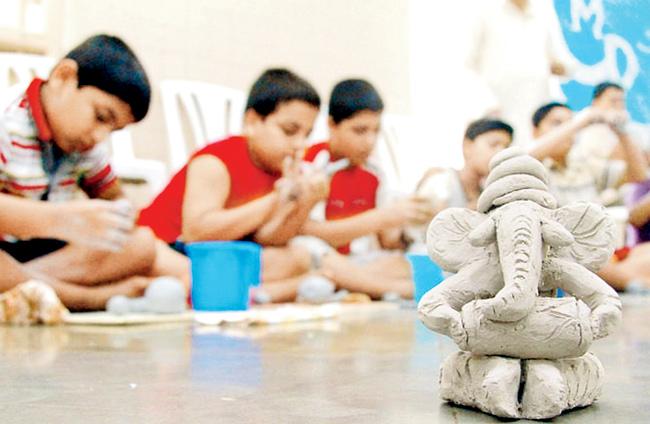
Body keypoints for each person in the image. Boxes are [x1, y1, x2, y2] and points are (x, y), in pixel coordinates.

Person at [0, 34, 189, 311]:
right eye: (101, 117)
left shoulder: (84, 146)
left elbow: (118, 202)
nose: (100, 136)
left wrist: (113, 218)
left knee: (143, 245)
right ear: (64, 77)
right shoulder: (7, 118)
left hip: (39, 260)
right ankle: (93, 299)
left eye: (113, 130)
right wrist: (60, 220)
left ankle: (28, 291)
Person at [138, 69, 324, 302]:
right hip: (171, 248)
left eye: (307, 134)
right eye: (289, 131)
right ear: (252, 122)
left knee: (297, 257)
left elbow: (269, 240)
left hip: (222, 257)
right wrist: (276, 199)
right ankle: (259, 292)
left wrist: (303, 202)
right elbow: (197, 232)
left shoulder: (280, 171)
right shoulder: (215, 161)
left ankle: (239, 291)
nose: (300, 144)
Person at [299, 79, 435, 299]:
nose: (369, 141)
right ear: (332, 125)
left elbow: (387, 242)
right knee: (308, 248)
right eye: (360, 131)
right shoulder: (313, 164)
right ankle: (395, 290)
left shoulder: (375, 173)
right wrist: (382, 217)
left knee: (412, 259)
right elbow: (308, 232)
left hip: (359, 264)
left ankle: (341, 284)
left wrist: (409, 220)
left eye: (375, 131)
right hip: (323, 257)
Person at [466, 0, 577, 145]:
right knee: (502, 153)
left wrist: (552, 66)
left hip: (536, 101)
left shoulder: (542, 14)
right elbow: (467, 64)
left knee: (532, 153)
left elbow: (563, 62)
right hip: (499, 103)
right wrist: (486, 101)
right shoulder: (486, 12)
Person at [529, 101, 647, 206]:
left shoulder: (585, 165)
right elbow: (530, 154)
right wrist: (583, 120)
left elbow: (638, 176)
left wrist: (622, 131)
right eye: (557, 123)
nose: (568, 130)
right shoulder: (532, 167)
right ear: (535, 131)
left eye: (569, 122)